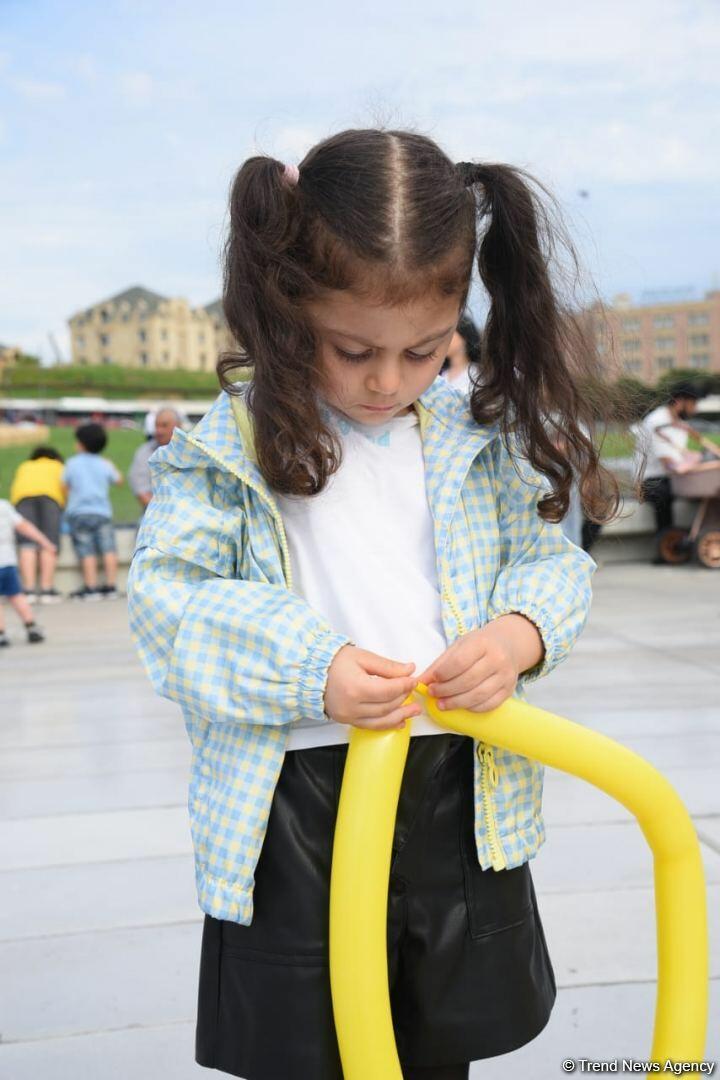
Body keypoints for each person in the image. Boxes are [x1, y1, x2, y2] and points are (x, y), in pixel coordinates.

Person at [127, 129, 617, 1080]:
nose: (387, 380)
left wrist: (519, 632)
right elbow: (167, 599)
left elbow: (548, 561)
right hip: (296, 796)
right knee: (309, 1046)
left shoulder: (476, 438)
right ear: (288, 308)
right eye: (352, 350)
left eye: (424, 351)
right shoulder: (227, 447)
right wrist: (312, 668)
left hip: (457, 783)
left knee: (436, 1044)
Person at [631, 383, 704, 563]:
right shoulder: (657, 422)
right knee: (663, 492)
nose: (695, 409)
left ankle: (695, 538)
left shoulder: (681, 424)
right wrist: (694, 461)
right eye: (693, 404)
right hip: (648, 480)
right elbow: (669, 462)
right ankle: (666, 548)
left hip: (669, 477)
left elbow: (680, 458)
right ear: (679, 402)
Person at [62, 422, 123, 600]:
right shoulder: (104, 463)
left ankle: (91, 587)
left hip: (79, 513)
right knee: (108, 548)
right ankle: (111, 586)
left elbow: (63, 485)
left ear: (81, 444)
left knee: (86, 550)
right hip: (102, 512)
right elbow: (119, 480)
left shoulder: (72, 463)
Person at [10, 446, 66, 603]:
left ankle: (28, 590)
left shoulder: (25, 466)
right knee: (49, 543)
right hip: (50, 499)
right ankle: (47, 589)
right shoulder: (58, 465)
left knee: (27, 544)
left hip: (23, 500)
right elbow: (65, 488)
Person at [0, 496, 56, 646]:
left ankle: (1, 634)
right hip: (7, 561)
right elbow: (24, 526)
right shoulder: (4, 506)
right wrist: (45, 542)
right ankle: (31, 626)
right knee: (16, 595)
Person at [128, 408, 182, 511]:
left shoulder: (191, 451)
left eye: (164, 426)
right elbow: (141, 490)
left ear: (178, 426)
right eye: (157, 426)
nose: (159, 431)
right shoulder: (145, 452)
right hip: (156, 513)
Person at [439, 314, 481, 396]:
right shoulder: (441, 374)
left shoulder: (477, 374)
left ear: (464, 336)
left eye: (449, 334)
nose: (443, 341)